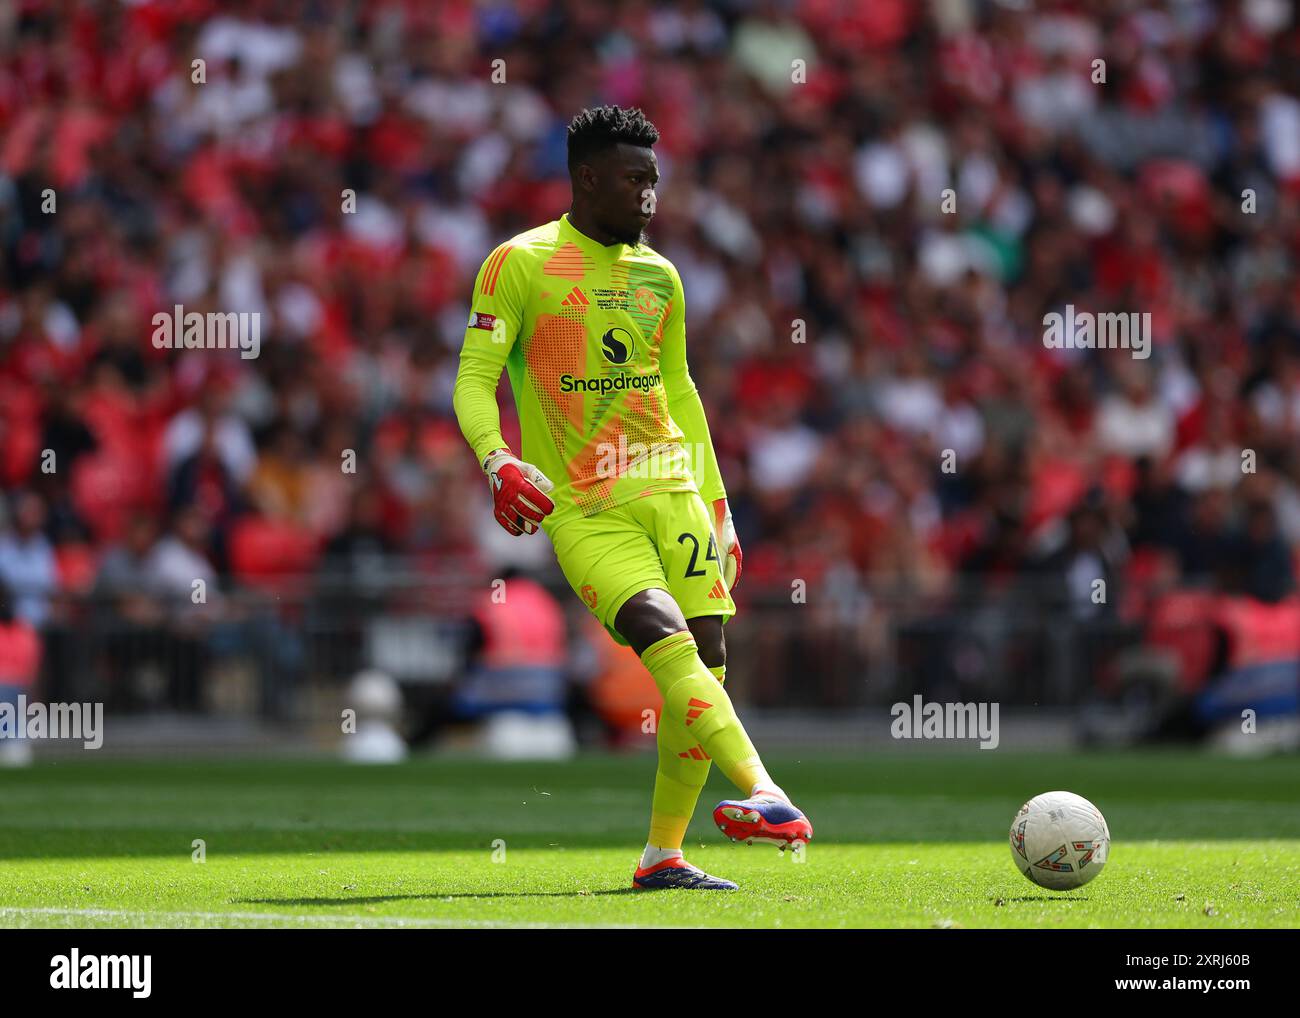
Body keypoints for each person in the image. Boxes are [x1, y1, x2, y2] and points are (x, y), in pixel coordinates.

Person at [453, 105, 811, 891]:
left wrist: (719, 504)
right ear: (587, 179)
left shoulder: (660, 276)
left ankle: (663, 856)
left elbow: (680, 392)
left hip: (675, 489)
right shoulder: (521, 263)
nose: (651, 195)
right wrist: (497, 460)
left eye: (655, 179)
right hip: (587, 505)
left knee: (708, 664)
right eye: (635, 179)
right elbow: (475, 380)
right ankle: (765, 791)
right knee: (665, 639)